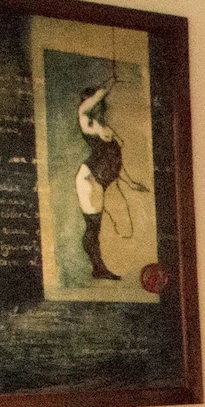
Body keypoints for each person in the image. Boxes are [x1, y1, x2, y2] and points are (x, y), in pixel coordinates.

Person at [75, 82, 127, 281]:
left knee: (95, 227)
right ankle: (98, 268)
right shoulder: (86, 121)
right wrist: (103, 90)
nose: (100, 104)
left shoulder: (99, 125)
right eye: (95, 101)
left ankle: (99, 268)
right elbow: (86, 107)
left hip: (98, 180)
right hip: (90, 179)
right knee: (93, 227)